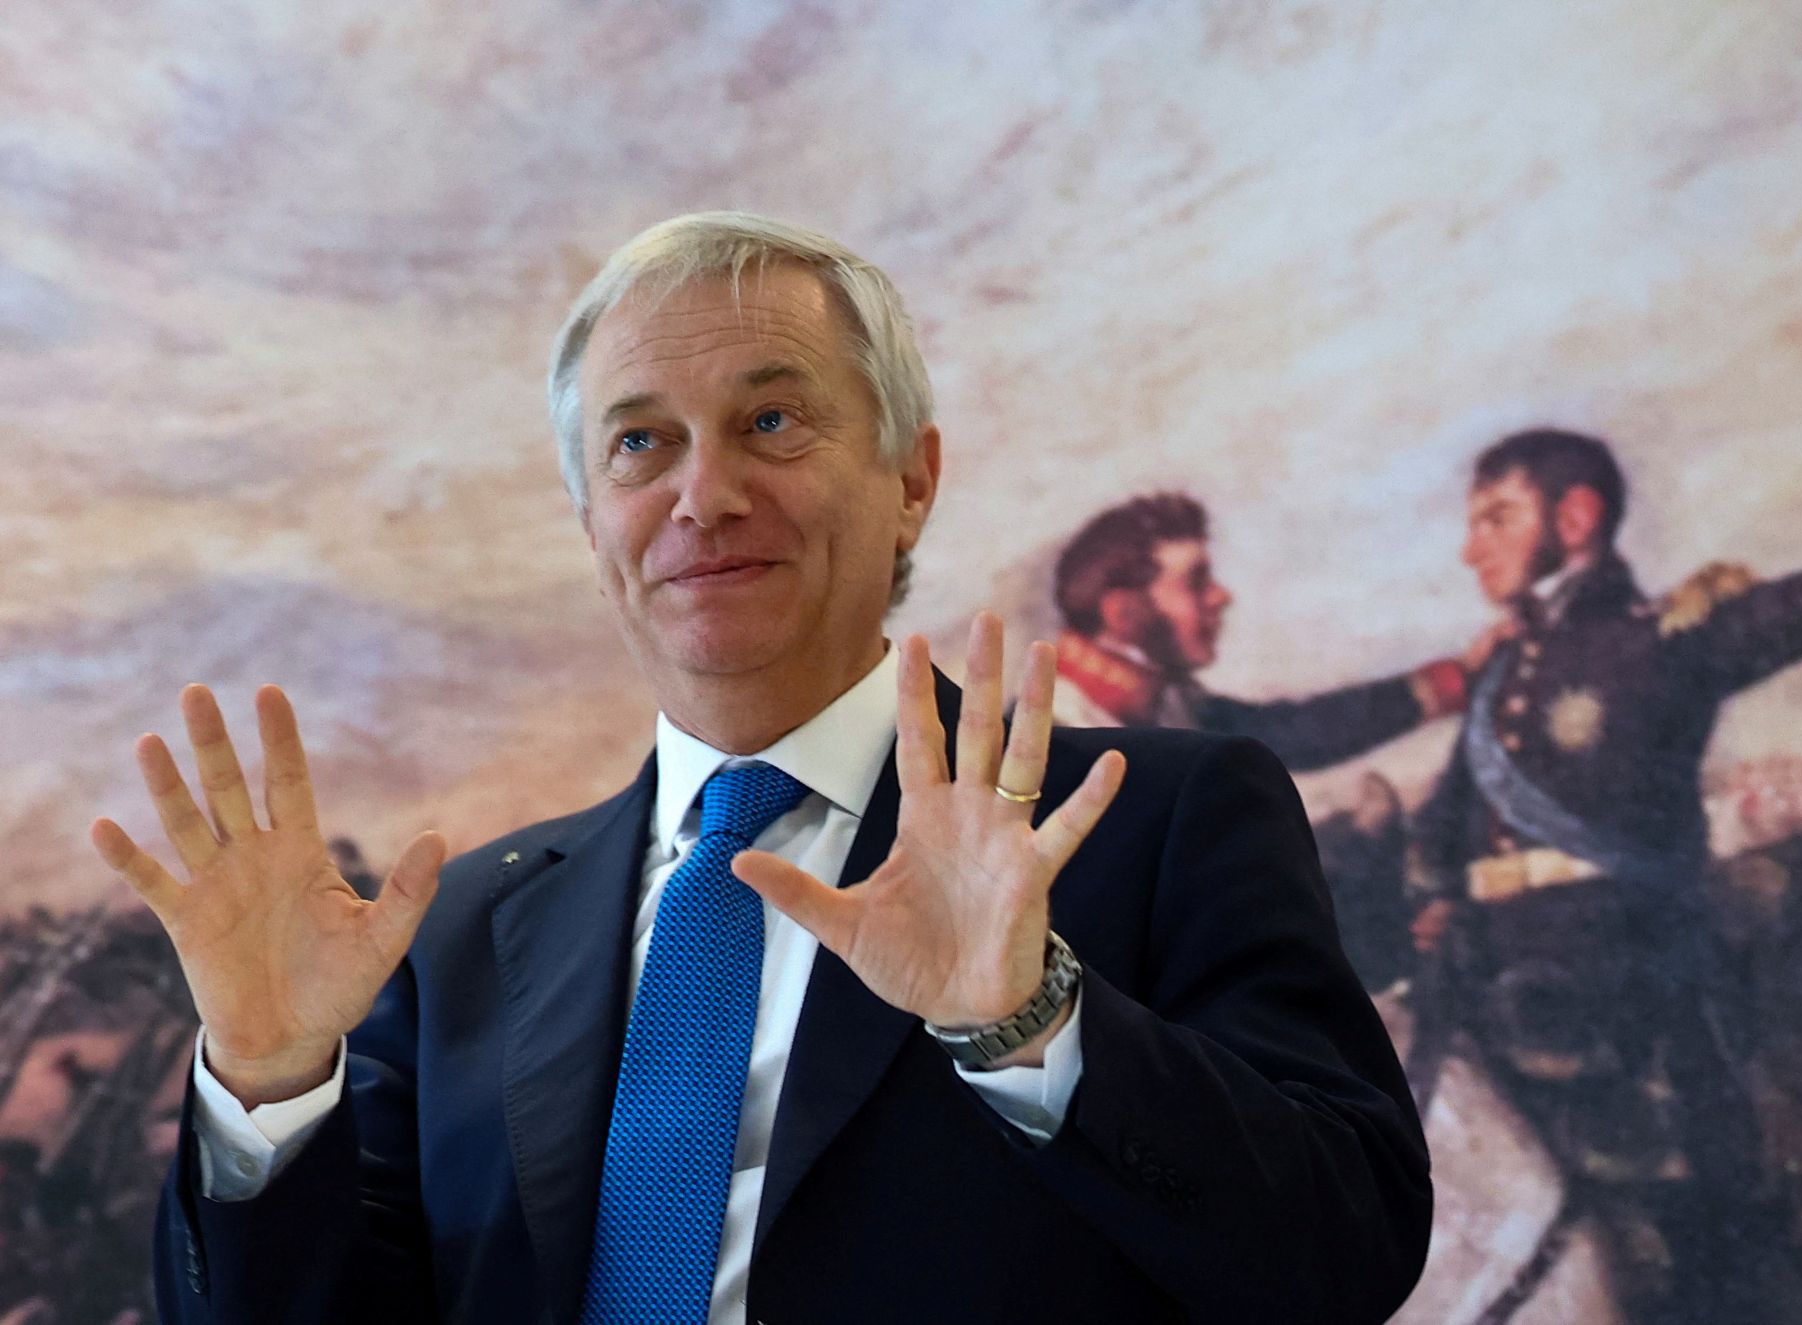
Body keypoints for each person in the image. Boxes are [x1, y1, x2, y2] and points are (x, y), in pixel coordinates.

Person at [92, 213, 1431, 1324]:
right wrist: (266, 1086)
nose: (702, 495)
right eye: (639, 442)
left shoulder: (1144, 823)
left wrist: (1030, 1021)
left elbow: (1344, 1253)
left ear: (913, 479)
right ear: (590, 522)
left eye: (773, 420)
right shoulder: (458, 935)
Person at [1409, 421, 1802, 1319]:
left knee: (1704, 1250)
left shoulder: (1663, 637)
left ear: (1574, 517)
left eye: (1496, 517)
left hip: (1630, 1003)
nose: (1469, 547)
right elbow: (1445, 828)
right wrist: (1435, 898)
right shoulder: (1500, 677)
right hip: (1494, 995)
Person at [1051, 492, 1483, 767]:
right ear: (1125, 613)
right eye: (1196, 581)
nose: (1221, 596)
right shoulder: (1045, 739)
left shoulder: (1169, 703)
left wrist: (1454, 679)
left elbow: (1288, 734)